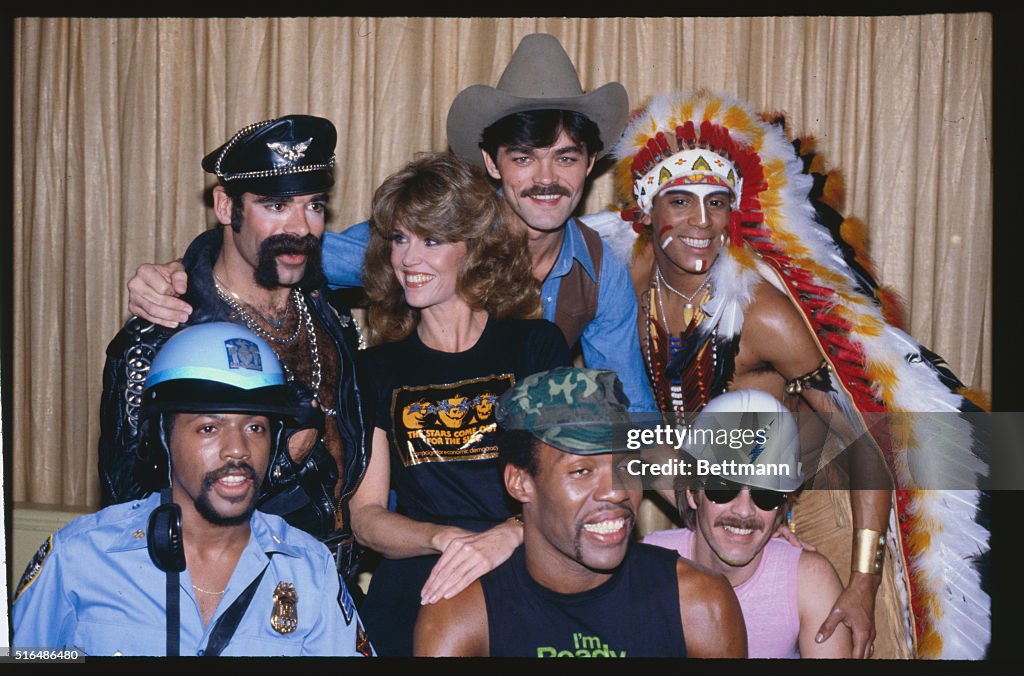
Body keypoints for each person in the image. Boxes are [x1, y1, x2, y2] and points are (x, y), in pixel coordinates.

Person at [588, 89, 989, 659]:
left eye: (718, 203)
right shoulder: (625, 284)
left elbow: (861, 440)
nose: (701, 223)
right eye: (680, 201)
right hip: (714, 501)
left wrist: (862, 580)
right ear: (648, 210)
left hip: (815, 494)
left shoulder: (763, 317)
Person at [122, 33, 656, 413]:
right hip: (404, 501)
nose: (546, 178)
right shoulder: (430, 236)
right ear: (492, 164)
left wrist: (715, 494)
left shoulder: (600, 269)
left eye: (565, 157)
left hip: (517, 513)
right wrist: (183, 272)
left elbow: (631, 410)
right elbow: (283, 246)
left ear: (590, 164)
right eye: (523, 157)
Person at [98, 115, 371, 586]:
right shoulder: (166, 332)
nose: (300, 227)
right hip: (223, 595)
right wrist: (282, 463)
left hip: (337, 586)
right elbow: (134, 501)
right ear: (226, 207)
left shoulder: (329, 311)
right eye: (275, 204)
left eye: (314, 206)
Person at [14, 323, 373, 656]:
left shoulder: (310, 570)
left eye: (255, 428)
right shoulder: (77, 557)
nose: (238, 450)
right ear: (162, 439)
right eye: (208, 428)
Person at [348, 151, 573, 656]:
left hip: (525, 558)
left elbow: (571, 480)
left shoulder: (535, 347)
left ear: (473, 248)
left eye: (431, 240)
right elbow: (365, 518)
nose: (408, 259)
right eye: (400, 239)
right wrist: (442, 538)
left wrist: (510, 535)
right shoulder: (377, 369)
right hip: (421, 574)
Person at [413, 367, 746, 658]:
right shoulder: (463, 616)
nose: (616, 490)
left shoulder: (699, 603)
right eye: (581, 471)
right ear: (520, 483)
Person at [643, 388, 852, 658]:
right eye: (724, 489)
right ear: (692, 494)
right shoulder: (648, 565)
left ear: (780, 510)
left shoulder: (807, 581)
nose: (744, 511)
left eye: (765, 495)